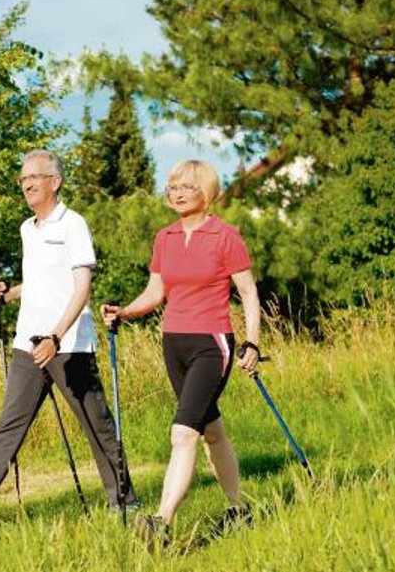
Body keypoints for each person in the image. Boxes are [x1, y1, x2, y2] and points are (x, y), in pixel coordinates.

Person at [0, 149, 139, 528]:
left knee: (97, 425)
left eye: (33, 177)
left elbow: (81, 289)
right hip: (28, 343)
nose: (25, 183)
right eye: (22, 178)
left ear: (54, 182)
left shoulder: (73, 224)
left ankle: (124, 503)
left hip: (67, 344)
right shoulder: (28, 228)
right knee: (9, 423)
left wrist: (57, 336)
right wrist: (7, 293)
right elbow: (41, 284)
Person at [100, 159, 261, 546]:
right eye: (172, 186)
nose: (177, 192)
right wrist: (125, 312)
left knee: (182, 433)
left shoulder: (225, 236)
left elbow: (249, 294)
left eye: (186, 186)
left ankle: (161, 520)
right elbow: (156, 293)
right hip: (173, 343)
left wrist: (252, 342)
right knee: (212, 433)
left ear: (206, 192)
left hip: (212, 344)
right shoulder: (165, 238)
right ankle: (239, 510)